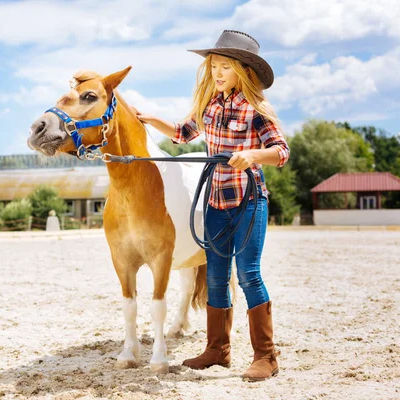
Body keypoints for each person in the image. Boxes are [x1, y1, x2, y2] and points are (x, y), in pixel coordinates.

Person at [134, 30, 290, 381]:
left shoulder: (255, 110)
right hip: (216, 204)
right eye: (214, 67)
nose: (217, 73)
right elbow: (181, 133)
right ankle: (218, 350)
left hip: (249, 203)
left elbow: (281, 151)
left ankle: (266, 355)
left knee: (249, 274)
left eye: (224, 67)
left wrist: (252, 155)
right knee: (217, 278)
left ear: (243, 71)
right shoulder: (210, 107)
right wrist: (148, 119)